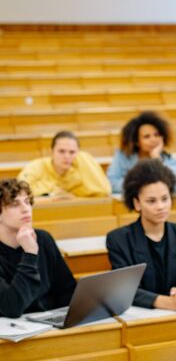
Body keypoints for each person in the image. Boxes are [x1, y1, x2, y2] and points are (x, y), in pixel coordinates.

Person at [106, 158, 176, 311]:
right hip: (141, 316)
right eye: (151, 201)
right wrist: (167, 302)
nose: (161, 207)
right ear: (137, 203)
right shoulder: (118, 240)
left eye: (165, 199)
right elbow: (124, 290)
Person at [0, 179, 76, 318]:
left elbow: (67, 290)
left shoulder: (43, 239)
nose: (25, 209)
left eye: (27, 202)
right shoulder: (33, 247)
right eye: (14, 204)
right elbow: (12, 307)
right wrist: (30, 254)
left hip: (48, 325)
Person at [107, 111, 176, 194]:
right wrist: (143, 185)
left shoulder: (168, 159)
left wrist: (156, 158)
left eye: (156, 135)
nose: (153, 140)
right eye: (147, 136)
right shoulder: (123, 156)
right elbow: (111, 183)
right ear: (137, 142)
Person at [17, 131, 110, 198]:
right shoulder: (35, 167)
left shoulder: (78, 174)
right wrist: (54, 197)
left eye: (72, 152)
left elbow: (103, 191)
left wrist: (84, 156)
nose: (67, 156)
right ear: (51, 152)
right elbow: (18, 194)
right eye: (61, 151)